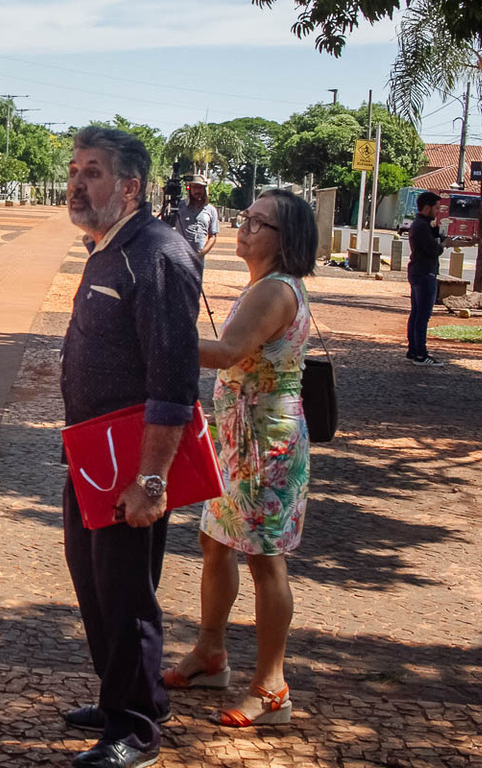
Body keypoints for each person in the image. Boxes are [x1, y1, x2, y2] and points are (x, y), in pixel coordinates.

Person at [60, 125, 202, 768]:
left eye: (92, 172)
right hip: (91, 456)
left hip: (129, 463)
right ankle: (124, 696)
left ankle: (137, 729)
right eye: (74, 172)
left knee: (125, 592)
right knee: (95, 583)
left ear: (130, 186)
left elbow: (173, 380)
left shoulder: (159, 256)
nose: (77, 184)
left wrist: (151, 480)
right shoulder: (108, 246)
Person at [163, 190, 317, 729]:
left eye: (259, 223)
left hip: (264, 445)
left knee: (264, 558)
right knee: (216, 540)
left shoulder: (274, 291)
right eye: (246, 218)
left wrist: (156, 339)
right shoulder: (263, 285)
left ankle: (271, 687)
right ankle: (211, 654)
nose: (244, 227)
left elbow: (228, 354)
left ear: (286, 239)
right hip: (240, 440)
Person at [406, 191, 445, 365]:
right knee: (422, 315)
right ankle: (421, 354)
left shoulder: (421, 225)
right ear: (427, 207)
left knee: (416, 313)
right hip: (424, 273)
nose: (438, 211)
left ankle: (413, 350)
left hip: (418, 272)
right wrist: (441, 244)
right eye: (436, 208)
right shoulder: (421, 227)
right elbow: (433, 250)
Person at [175, 179, 220, 261]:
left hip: (198, 259)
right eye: (194, 188)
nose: (197, 191)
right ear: (190, 189)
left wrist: (201, 254)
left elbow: (213, 236)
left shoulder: (211, 210)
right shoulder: (179, 206)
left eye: (200, 188)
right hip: (179, 256)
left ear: (205, 189)